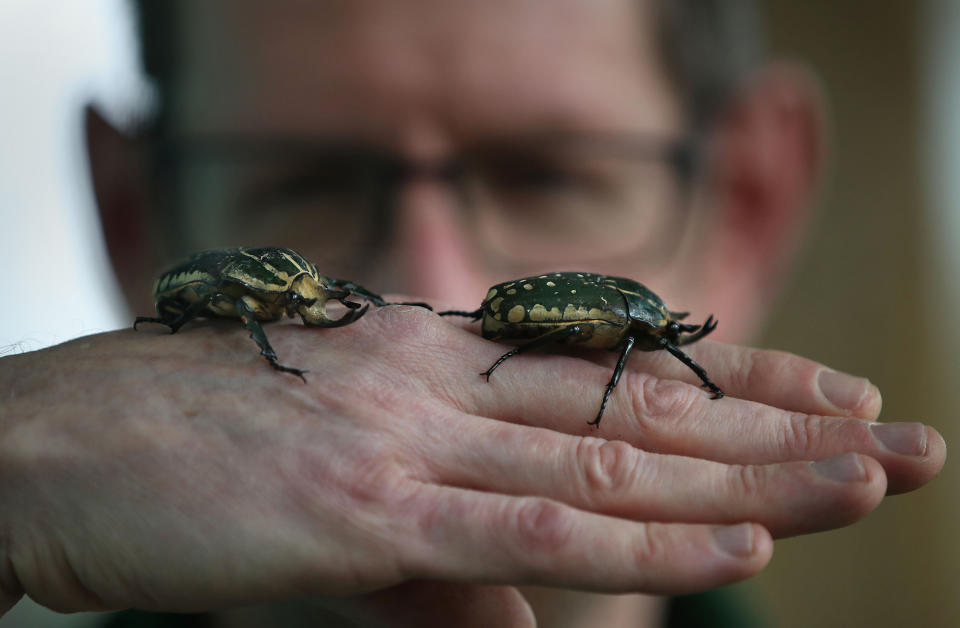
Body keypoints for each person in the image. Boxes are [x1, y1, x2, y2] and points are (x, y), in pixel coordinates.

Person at [0, 0, 946, 626]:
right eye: (306, 178)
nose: (419, 290)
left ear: (749, 201)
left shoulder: (631, 324)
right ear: (131, 219)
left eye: (547, 175)